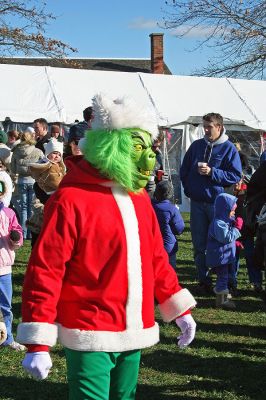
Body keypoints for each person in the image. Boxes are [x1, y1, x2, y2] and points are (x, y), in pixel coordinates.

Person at [17, 93, 197, 399]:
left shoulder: (139, 199)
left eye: (149, 149)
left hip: (134, 329)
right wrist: (38, 339)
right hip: (89, 330)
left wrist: (178, 307)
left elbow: (155, 258)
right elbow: (45, 271)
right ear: (112, 148)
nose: (149, 159)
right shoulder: (69, 200)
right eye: (138, 148)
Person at [180, 113, 242, 294]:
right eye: (204, 126)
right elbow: (184, 170)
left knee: (222, 244)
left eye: (209, 127)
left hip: (218, 205)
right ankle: (203, 280)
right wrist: (189, 189)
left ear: (219, 127)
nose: (206, 130)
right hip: (198, 203)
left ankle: (227, 281)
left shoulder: (229, 149)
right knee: (199, 245)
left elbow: (235, 175)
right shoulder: (196, 146)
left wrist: (213, 172)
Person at [0, 170, 25, 351]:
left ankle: (8, 337)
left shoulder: (9, 213)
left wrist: (15, 237)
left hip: (3, 268)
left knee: (6, 305)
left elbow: (17, 234)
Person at [206, 193, 243, 309]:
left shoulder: (224, 221)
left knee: (224, 277)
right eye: (232, 211)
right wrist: (237, 228)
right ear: (224, 209)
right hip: (220, 256)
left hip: (224, 255)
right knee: (223, 277)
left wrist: (235, 243)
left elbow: (226, 239)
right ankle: (221, 301)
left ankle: (223, 297)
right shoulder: (219, 223)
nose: (234, 213)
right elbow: (226, 238)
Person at [27, 139, 66, 248]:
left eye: (59, 154)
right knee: (38, 232)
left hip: (54, 200)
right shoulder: (46, 165)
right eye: (54, 153)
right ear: (48, 154)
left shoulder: (61, 167)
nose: (57, 156)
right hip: (45, 200)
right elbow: (56, 182)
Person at [10, 131, 43, 239]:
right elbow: (43, 165)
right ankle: (30, 232)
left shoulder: (16, 151)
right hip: (33, 180)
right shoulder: (37, 151)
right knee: (32, 207)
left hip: (21, 181)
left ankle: (23, 233)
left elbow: (13, 169)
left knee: (23, 207)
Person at [152, 181, 185, 270]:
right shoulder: (172, 209)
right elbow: (179, 229)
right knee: (169, 270)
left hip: (152, 244)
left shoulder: (149, 205)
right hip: (168, 246)